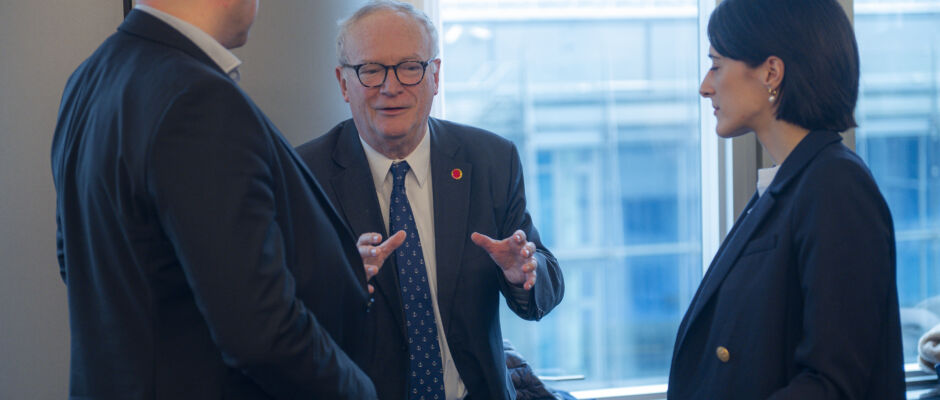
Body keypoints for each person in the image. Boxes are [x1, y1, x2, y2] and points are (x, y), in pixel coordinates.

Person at [51, 1, 377, 398]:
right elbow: (259, 332)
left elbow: (83, 261)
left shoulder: (90, 78)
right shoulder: (198, 98)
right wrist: (359, 392)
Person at [295, 1, 564, 399]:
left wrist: (522, 271)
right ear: (343, 82)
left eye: (410, 67)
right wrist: (336, 284)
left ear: (435, 76)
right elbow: (278, 319)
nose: (391, 87)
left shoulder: (491, 160)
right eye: (371, 70)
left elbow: (546, 280)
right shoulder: (303, 175)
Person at [668, 0, 905, 398]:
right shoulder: (793, 182)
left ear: (771, 73)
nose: (705, 86)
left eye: (716, 64)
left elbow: (832, 384)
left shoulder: (836, 185)